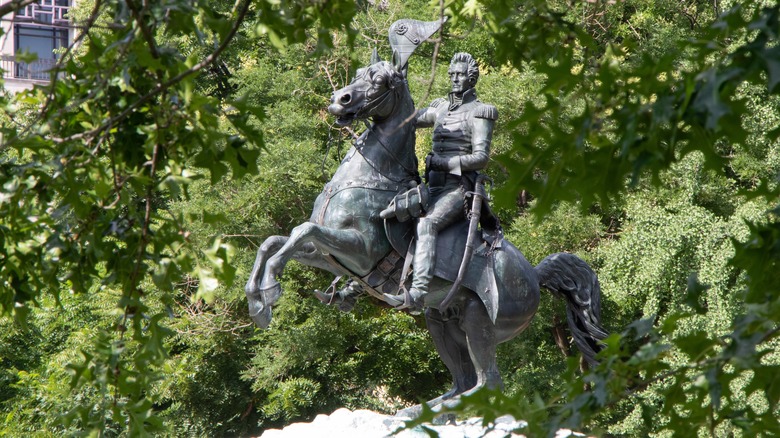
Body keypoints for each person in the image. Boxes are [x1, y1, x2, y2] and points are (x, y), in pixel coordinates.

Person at [384, 52, 497, 312]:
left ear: (472, 79)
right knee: (390, 213)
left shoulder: (481, 112)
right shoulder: (440, 108)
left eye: (460, 75)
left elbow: (481, 158)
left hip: (459, 189)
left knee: (426, 224)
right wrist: (399, 74)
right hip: (431, 185)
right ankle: (356, 286)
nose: (455, 79)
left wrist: (444, 163)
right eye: (451, 75)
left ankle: (418, 294)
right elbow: (406, 119)